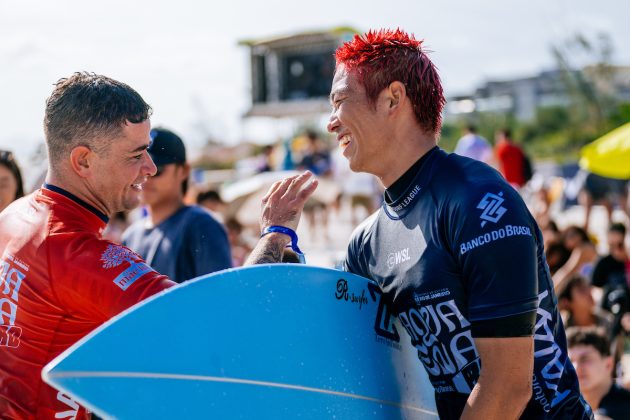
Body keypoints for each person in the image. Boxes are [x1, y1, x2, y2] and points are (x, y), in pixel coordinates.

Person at [247, 29, 592, 419]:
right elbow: (314, 335)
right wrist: (276, 236)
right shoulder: (366, 243)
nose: (329, 123)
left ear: (393, 98)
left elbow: (509, 388)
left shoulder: (479, 203)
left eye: (340, 101)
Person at [0, 73, 306, 419]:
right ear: (83, 160)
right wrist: (276, 233)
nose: (150, 167)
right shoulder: (74, 251)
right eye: (136, 155)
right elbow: (222, 325)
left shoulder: (16, 215)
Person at [122, 128, 231, 281]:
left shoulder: (202, 226)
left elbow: (219, 296)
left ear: (184, 171)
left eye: (157, 169)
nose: (146, 175)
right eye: (138, 167)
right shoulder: (130, 236)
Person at [567, 327, 630, 419]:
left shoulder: (623, 407)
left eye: (585, 359)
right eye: (569, 362)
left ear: (608, 364)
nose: (575, 368)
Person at [591, 223, 630, 337]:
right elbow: (595, 288)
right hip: (610, 312)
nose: (616, 251)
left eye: (620, 245)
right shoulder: (604, 262)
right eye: (611, 246)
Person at [558, 274, 614, 339]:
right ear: (567, 302)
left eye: (588, 287)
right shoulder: (561, 331)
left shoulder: (608, 322)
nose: (589, 292)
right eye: (582, 290)